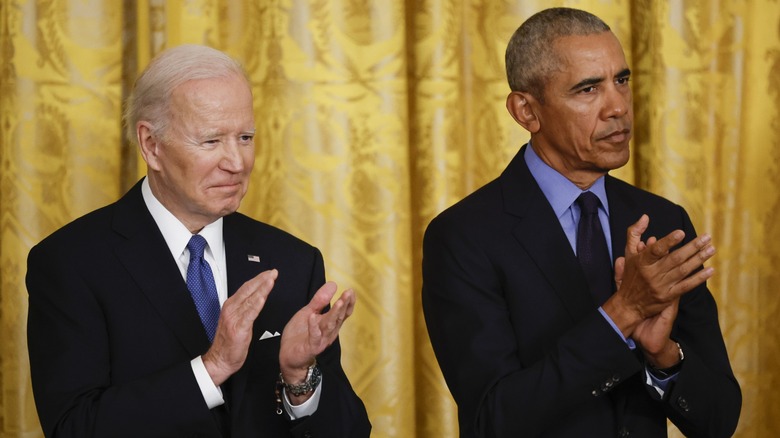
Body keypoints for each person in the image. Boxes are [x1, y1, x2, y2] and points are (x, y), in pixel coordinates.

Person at [422, 7, 741, 438]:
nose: (618, 108)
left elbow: (719, 420)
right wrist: (623, 312)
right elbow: (493, 419)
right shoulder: (463, 236)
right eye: (588, 89)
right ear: (526, 111)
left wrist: (663, 356)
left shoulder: (664, 221)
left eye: (621, 81)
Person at [26, 45, 370, 437]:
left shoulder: (292, 260)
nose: (237, 162)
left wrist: (298, 377)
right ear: (151, 145)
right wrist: (210, 369)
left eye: (245, 137)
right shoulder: (71, 262)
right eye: (211, 141)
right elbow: (73, 428)